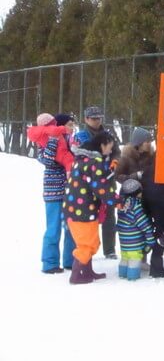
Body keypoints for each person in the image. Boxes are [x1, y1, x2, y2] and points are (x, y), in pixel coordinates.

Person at [63, 131, 123, 285]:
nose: (110, 151)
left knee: (91, 241)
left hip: (77, 208)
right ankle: (76, 276)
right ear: (102, 145)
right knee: (87, 244)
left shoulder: (83, 159)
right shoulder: (93, 162)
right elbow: (100, 187)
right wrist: (118, 201)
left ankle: (88, 271)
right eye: (109, 148)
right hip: (82, 210)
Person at [28, 113, 76, 274]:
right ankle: (49, 263)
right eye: (68, 124)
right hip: (53, 192)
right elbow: (47, 160)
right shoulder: (44, 143)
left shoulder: (69, 141)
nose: (70, 127)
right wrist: (54, 140)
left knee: (71, 227)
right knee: (53, 228)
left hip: (70, 190)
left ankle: (71, 260)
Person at [73, 105, 120, 259]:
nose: (97, 121)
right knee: (88, 215)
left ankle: (110, 249)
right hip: (88, 183)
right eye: (93, 118)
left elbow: (117, 151)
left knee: (109, 215)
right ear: (86, 119)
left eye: (99, 118)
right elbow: (78, 156)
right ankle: (86, 249)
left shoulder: (108, 133)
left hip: (107, 178)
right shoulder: (80, 136)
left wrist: (115, 162)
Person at [117, 179, 155, 281]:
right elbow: (144, 225)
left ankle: (122, 273)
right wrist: (151, 240)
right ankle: (132, 276)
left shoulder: (122, 206)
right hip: (134, 240)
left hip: (124, 239)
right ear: (137, 193)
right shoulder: (136, 207)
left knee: (125, 257)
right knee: (134, 258)